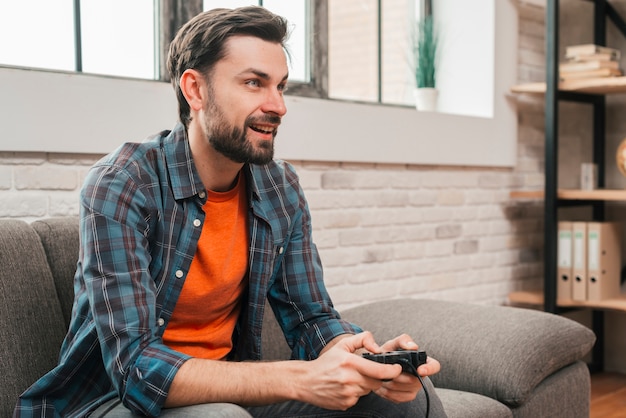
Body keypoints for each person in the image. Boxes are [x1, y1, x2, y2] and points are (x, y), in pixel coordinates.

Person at [15, 6, 446, 417]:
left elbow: (309, 317)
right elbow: (135, 369)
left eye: (281, 86)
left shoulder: (281, 188)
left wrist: (365, 360)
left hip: (229, 396)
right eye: (254, 83)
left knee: (406, 400)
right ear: (195, 90)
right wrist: (298, 378)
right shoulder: (123, 184)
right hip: (113, 401)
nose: (278, 105)